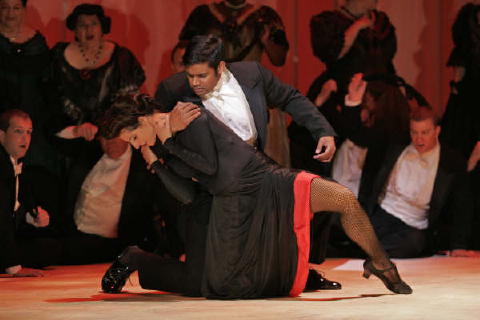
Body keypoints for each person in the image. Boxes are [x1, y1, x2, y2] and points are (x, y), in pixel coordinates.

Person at [99, 92, 412, 298]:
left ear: (141, 119)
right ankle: (136, 258)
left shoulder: (184, 117)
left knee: (343, 199)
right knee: (211, 285)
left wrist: (166, 148)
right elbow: (191, 192)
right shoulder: (162, 143)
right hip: (232, 202)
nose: (137, 144)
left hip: (267, 181)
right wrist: (158, 161)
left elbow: (207, 166)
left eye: (133, 136)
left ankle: (382, 265)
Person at [153, 34, 339, 294]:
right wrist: (170, 127)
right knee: (199, 282)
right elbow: (151, 136)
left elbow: (289, 97)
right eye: (190, 75)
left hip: (254, 166)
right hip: (210, 183)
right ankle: (135, 259)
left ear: (220, 67)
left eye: (201, 76)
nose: (194, 83)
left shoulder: (252, 74)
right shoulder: (173, 89)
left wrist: (322, 131)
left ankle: (303, 274)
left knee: (312, 200)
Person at [178, 0, 290, 167]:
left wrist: (267, 40)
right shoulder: (202, 15)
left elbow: (279, 58)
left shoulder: (265, 16)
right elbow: (182, 55)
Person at [360, 103, 479, 258]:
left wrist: (458, 245)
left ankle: (368, 250)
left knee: (412, 244)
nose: (419, 138)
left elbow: (462, 205)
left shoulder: (451, 162)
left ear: (437, 131)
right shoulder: (396, 146)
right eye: (414, 132)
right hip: (383, 214)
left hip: (413, 225)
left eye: (425, 132)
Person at [59, 135, 171, 264]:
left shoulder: (144, 161)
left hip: (119, 247)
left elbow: (162, 209)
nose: (110, 142)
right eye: (105, 136)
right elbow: (53, 135)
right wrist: (77, 130)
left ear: (127, 135)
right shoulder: (88, 154)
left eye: (115, 136)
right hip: (75, 237)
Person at [48, 3, 145, 145]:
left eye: (94, 23)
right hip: (69, 138)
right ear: (74, 29)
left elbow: (129, 102)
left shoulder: (121, 58)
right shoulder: (58, 56)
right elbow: (50, 99)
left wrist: (105, 129)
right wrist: (76, 129)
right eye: (82, 25)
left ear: (102, 27)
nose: (89, 29)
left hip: (113, 138)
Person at [0, 109, 62, 277]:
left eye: (29, 132)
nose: (25, 138)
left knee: (50, 247)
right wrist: (14, 268)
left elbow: (12, 207)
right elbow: (2, 219)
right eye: (18, 131)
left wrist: (31, 217)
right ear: (2, 135)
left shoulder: (14, 164)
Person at [0, 0, 59, 174]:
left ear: (24, 10)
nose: (10, 13)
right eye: (4, 7)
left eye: (16, 8)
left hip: (33, 114)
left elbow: (47, 81)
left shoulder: (37, 42)